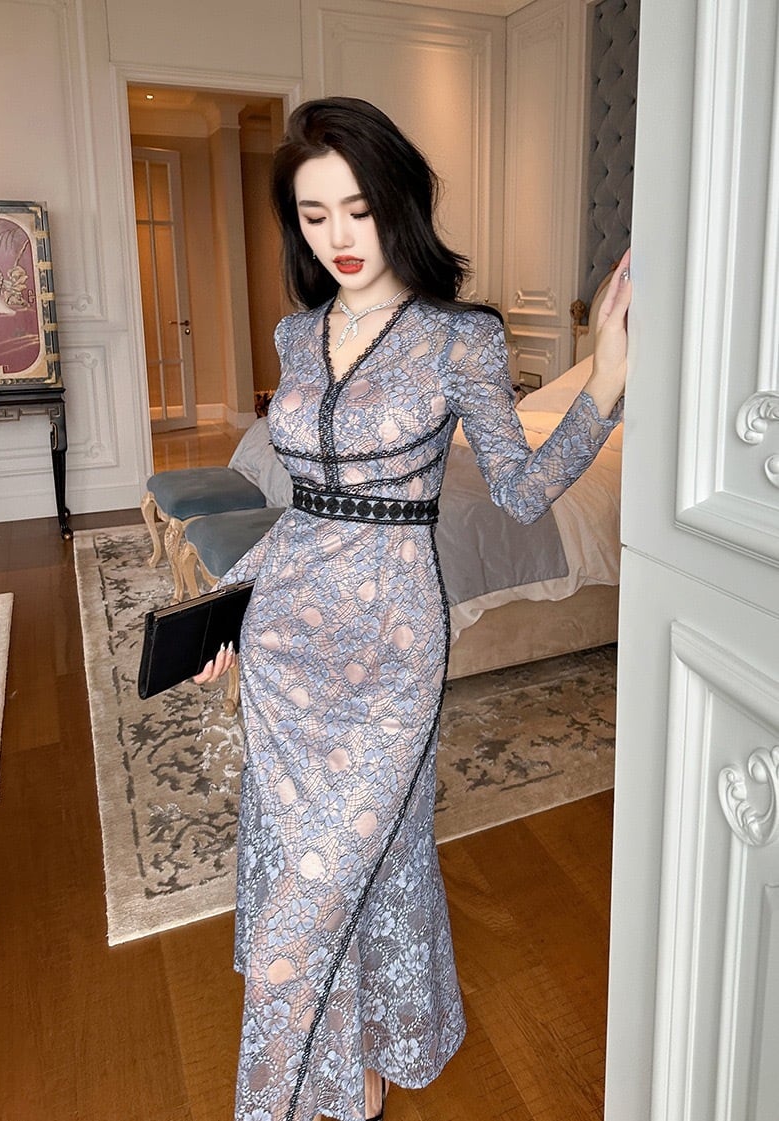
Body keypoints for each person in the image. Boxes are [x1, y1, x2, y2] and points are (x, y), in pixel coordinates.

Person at [195, 96, 631, 1121]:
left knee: (307, 906)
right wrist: (229, 602)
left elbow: (520, 491)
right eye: (314, 215)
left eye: (358, 208)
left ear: (398, 201)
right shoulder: (295, 335)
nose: (339, 236)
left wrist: (606, 381)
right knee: (327, 864)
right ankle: (365, 1054)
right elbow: (305, 509)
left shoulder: (458, 338)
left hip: (391, 652)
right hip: (285, 643)